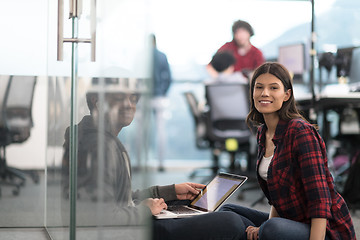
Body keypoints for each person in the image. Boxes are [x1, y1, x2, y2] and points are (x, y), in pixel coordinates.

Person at [62, 78, 244, 240]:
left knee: (218, 209)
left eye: (132, 98)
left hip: (129, 223)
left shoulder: (100, 138)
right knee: (230, 221)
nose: (128, 105)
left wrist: (170, 191)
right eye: (119, 98)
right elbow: (97, 215)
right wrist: (144, 211)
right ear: (97, 102)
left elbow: (120, 199)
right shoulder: (99, 147)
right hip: (127, 232)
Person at [219, 62, 356, 240]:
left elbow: (320, 200)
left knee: (271, 229)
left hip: (324, 230)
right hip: (291, 219)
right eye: (259, 87)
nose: (264, 93)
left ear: (286, 95)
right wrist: (265, 228)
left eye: (273, 87)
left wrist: (266, 229)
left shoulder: (300, 131)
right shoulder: (263, 132)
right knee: (229, 212)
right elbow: (278, 196)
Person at [151, 34, 172, 171]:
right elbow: (169, 77)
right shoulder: (161, 56)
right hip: (159, 97)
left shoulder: (141, 56)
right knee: (160, 131)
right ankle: (161, 163)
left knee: (141, 132)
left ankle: (140, 163)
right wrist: (163, 91)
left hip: (143, 98)